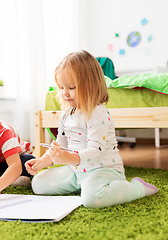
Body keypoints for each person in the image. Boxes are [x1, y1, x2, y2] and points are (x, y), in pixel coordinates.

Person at [25, 50, 158, 208]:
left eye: (71, 87)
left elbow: (96, 153)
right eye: (61, 87)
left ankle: (137, 187)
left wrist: (67, 158)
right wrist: (41, 162)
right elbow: (58, 147)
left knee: (91, 201)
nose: (64, 93)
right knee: (38, 184)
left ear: (90, 85)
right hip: (76, 170)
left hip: (103, 169)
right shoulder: (66, 115)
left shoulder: (97, 113)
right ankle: (85, 186)